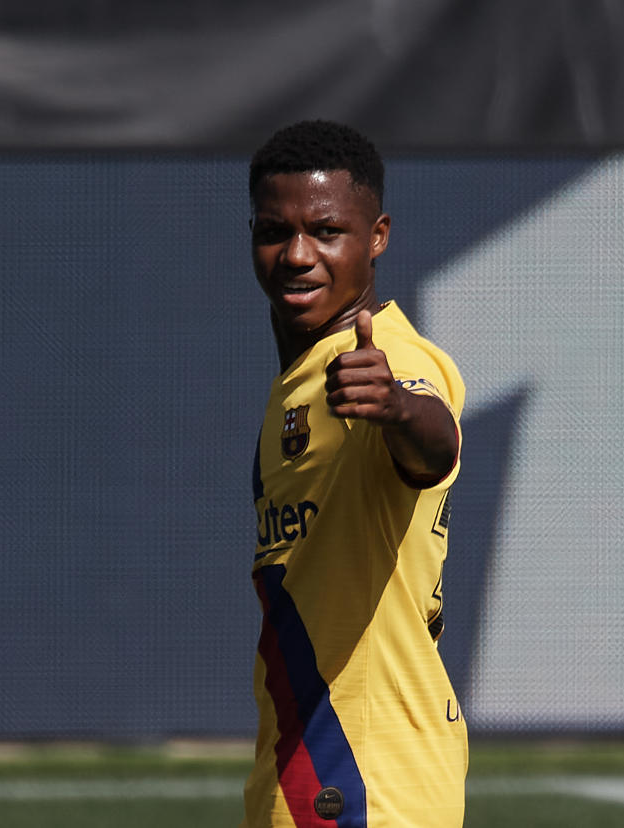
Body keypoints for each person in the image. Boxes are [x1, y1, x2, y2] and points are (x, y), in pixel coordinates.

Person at [241, 120, 467, 828]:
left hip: (360, 781)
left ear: (378, 236)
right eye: (276, 231)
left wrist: (398, 408)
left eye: (327, 231)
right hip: (319, 769)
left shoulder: (390, 360)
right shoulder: (298, 382)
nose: (298, 255)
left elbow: (436, 443)